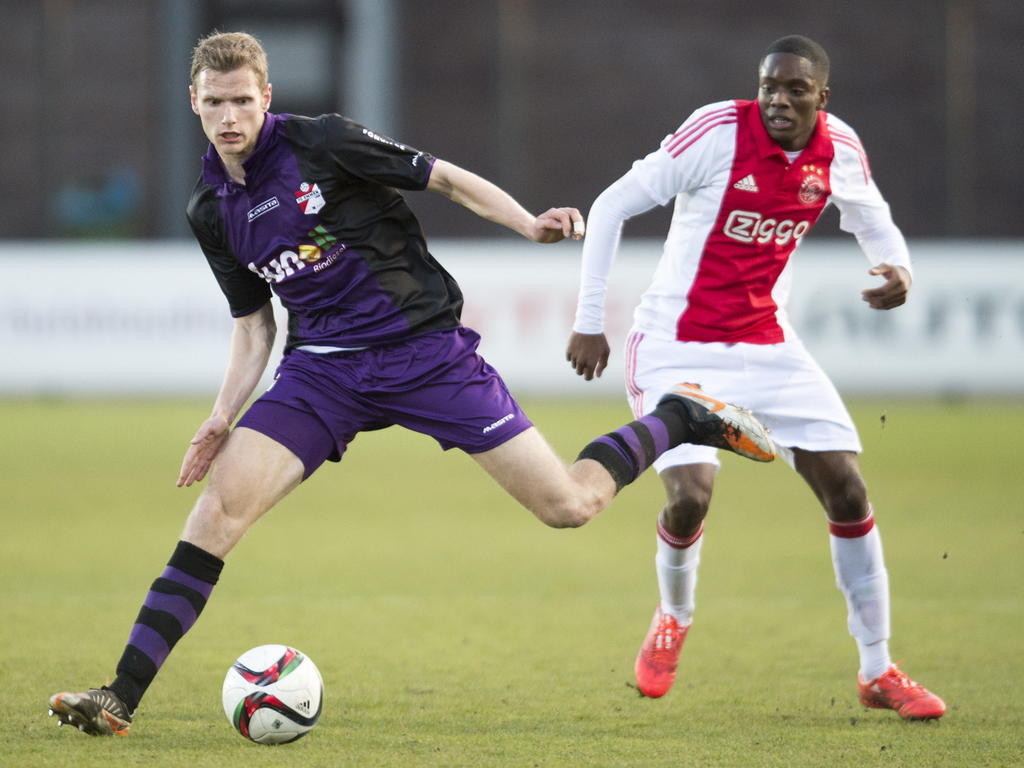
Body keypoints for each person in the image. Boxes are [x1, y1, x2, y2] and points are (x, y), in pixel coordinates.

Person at [46, 31, 775, 737]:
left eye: (242, 100)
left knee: (569, 505)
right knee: (215, 515)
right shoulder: (212, 209)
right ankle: (118, 697)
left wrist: (528, 225)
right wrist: (220, 416)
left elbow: (447, 179)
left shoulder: (320, 142)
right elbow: (254, 327)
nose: (229, 117)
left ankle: (680, 416)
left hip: (425, 353)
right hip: (322, 372)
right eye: (214, 103)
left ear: (266, 96)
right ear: (195, 102)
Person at [566, 35, 945, 721]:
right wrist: (590, 319)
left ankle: (877, 667)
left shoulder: (840, 150)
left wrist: (899, 269)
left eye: (795, 88)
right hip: (676, 346)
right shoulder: (716, 132)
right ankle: (673, 617)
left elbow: (873, 221)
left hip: (769, 346)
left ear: (821, 98)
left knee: (849, 490)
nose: (778, 99)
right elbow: (613, 204)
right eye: (770, 85)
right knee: (691, 497)